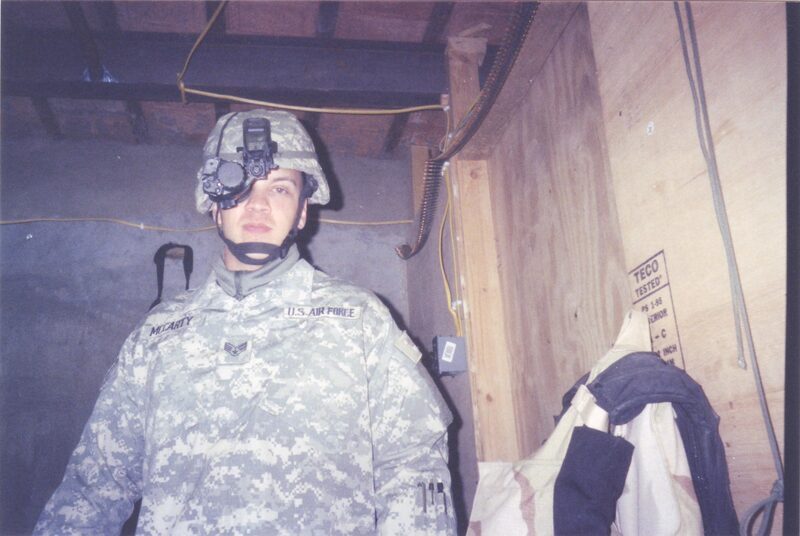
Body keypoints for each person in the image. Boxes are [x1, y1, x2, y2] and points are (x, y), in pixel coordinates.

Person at [34, 109, 455, 535]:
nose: (258, 204)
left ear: (302, 211)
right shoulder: (157, 334)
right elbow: (93, 485)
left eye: (280, 188)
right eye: (238, 184)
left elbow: (415, 466)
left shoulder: (358, 319)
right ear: (213, 205)